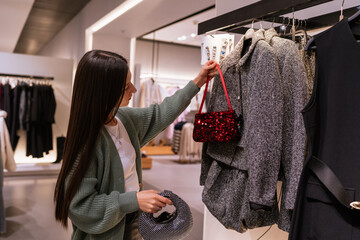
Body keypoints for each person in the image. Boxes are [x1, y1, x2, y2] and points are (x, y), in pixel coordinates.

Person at [54, 49, 217, 240]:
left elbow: (160, 113)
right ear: (103, 92)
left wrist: (197, 81)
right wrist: (134, 200)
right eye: (125, 87)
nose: (134, 89)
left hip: (133, 225)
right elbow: (81, 207)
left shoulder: (123, 119)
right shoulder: (87, 143)